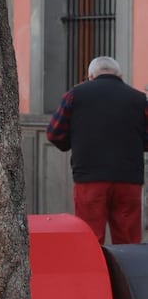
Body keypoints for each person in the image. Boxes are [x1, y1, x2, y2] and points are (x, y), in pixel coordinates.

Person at [46, 55, 148, 244]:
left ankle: (94, 273)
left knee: (90, 237)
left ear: (90, 75)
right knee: (128, 239)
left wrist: (73, 143)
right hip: (129, 178)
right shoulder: (139, 99)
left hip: (89, 177)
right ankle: (127, 274)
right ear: (120, 75)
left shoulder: (75, 95)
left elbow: (54, 133)